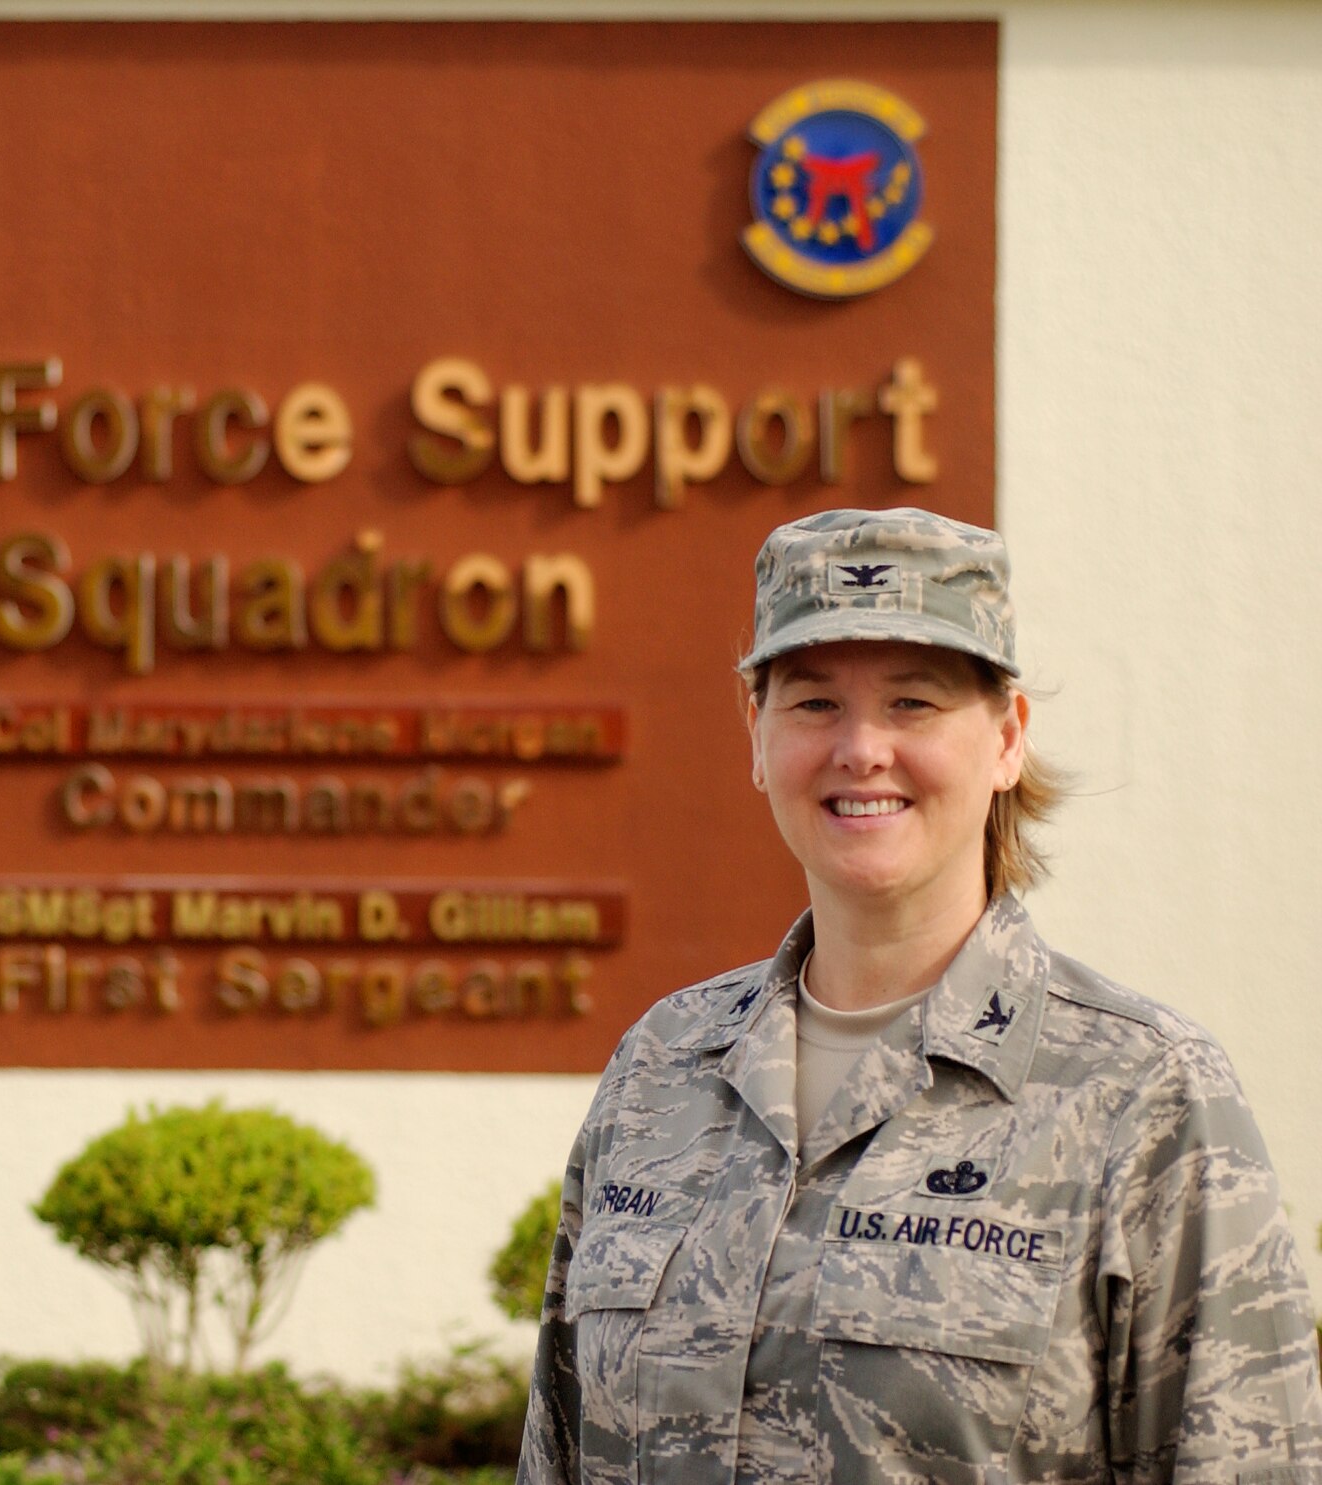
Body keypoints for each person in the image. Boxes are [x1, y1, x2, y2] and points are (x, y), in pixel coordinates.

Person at [517, 508, 1322, 1485]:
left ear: (1004, 739)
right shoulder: (661, 1068)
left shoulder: (1140, 1096)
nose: (860, 749)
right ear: (756, 736)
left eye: (912, 704)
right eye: (813, 704)